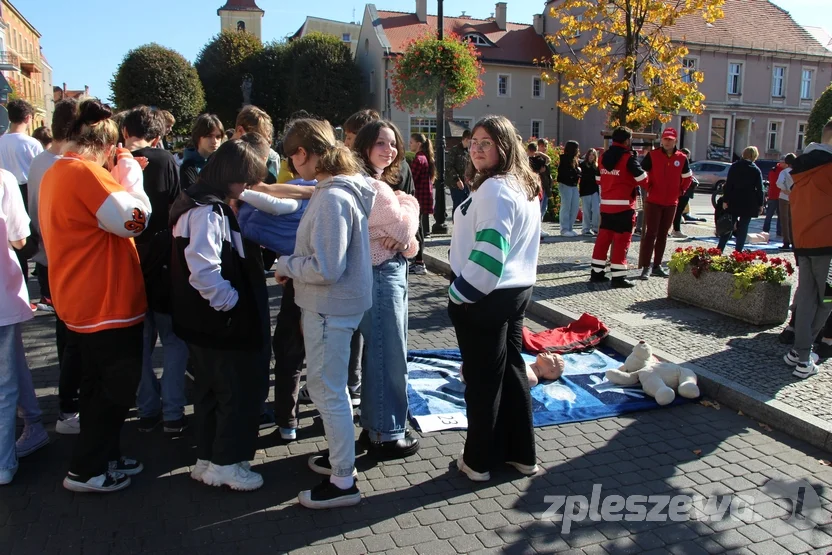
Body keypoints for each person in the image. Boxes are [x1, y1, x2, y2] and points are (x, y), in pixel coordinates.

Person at [39, 99, 152, 493]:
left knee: (96, 386)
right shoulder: (84, 173)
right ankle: (87, 470)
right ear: (105, 146)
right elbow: (134, 220)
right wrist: (130, 180)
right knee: (113, 389)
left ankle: (104, 454)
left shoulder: (59, 171)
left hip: (84, 298)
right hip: (106, 301)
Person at [274, 118, 375, 509]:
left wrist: (287, 265)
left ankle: (343, 481)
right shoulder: (336, 189)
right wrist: (295, 268)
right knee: (330, 388)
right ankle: (339, 462)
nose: (290, 165)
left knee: (327, 390)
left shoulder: (332, 196)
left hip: (329, 310)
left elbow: (326, 269)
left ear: (303, 154)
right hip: (333, 307)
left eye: (291, 157)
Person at [169, 134, 275, 492]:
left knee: (211, 391)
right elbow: (204, 271)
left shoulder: (194, 202)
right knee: (233, 391)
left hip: (200, 323)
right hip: (217, 322)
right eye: (244, 179)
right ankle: (227, 463)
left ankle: (209, 459)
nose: (246, 186)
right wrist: (233, 305)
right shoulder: (207, 212)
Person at [448, 115, 541, 482]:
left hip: (485, 296)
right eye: (474, 142)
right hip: (514, 291)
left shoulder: (496, 189)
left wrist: (460, 294)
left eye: (487, 143)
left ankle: (478, 461)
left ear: (505, 146)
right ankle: (520, 454)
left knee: (484, 380)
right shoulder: (521, 185)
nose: (477, 148)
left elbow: (490, 250)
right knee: (511, 371)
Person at [121, 106, 190, 435]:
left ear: (124, 132)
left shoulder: (113, 164)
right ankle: (173, 413)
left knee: (140, 343)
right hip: (164, 261)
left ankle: (147, 409)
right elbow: (179, 207)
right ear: (159, 136)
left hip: (129, 261)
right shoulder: (166, 161)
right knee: (174, 342)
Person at [354, 121, 421, 460]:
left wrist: (406, 240)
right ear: (365, 146)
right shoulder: (376, 189)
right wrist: (409, 202)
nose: (389, 149)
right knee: (388, 354)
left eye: (393, 144)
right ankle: (386, 433)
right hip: (380, 275)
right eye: (380, 142)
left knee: (383, 352)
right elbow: (403, 226)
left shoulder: (379, 185)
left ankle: (376, 425)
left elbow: (409, 244)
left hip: (386, 271)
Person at [26, 98, 83, 434]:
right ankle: (69, 407)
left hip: (50, 261)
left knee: (67, 334)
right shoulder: (64, 165)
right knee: (74, 337)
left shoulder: (39, 162)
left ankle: (69, 404)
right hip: (69, 261)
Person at [0, 168, 49, 486]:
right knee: (5, 380)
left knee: (11, 364)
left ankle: (32, 424)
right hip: (2, 293)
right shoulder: (2, 179)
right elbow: (19, 238)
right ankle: (4, 460)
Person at [783, 120, 832, 379]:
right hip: (828, 245)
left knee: (806, 299)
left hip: (804, 243)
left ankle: (798, 351)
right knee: (828, 300)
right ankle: (803, 356)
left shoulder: (800, 169)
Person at [589, 127, 646, 288]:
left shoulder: (603, 157)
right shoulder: (628, 158)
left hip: (606, 206)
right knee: (621, 242)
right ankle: (618, 277)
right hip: (624, 207)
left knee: (602, 240)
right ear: (627, 140)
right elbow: (643, 179)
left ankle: (597, 273)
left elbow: (598, 180)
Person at [0, 99, 44, 292]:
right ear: (28, 118)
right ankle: (31, 288)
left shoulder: (1, 141)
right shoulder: (32, 143)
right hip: (27, 191)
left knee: (9, 243)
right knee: (29, 241)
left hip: (3, 191)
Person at [638, 128, 692, 279]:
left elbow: (688, 177)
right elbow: (641, 173)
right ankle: (645, 266)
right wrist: (648, 186)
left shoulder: (682, 158)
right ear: (661, 140)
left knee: (663, 235)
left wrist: (680, 191)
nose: (667, 142)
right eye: (665, 139)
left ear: (675, 141)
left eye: (670, 139)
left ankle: (657, 265)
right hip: (654, 201)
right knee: (650, 234)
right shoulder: (653, 155)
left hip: (671, 203)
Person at [717, 147, 765, 253]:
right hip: (749, 202)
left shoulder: (735, 166)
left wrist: (725, 200)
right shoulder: (756, 169)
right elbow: (760, 189)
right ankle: (738, 252)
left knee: (728, 225)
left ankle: (719, 249)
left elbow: (729, 184)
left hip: (734, 200)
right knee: (743, 227)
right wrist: (760, 204)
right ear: (754, 156)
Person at [409, 133, 434, 276]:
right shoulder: (425, 158)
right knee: (419, 230)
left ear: (418, 143)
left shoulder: (419, 159)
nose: (410, 145)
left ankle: (419, 263)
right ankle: (418, 262)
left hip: (418, 199)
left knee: (418, 231)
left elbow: (411, 180)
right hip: (423, 198)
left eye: (412, 142)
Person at [180, 114, 225, 191]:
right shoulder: (188, 167)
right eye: (209, 136)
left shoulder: (223, 164)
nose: (214, 141)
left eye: (218, 137)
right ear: (198, 137)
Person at [557, 141, 581, 236]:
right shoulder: (564, 159)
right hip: (565, 184)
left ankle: (570, 228)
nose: (578, 150)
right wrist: (575, 173)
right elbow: (564, 173)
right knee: (566, 207)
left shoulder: (575, 159)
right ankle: (564, 229)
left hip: (573, 185)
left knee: (575, 207)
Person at [447, 130, 471, 213]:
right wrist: (457, 180)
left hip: (467, 183)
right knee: (457, 207)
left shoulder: (468, 151)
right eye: (470, 141)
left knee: (467, 207)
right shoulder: (455, 150)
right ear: (466, 139)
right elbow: (449, 166)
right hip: (456, 184)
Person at [579, 148, 601, 236]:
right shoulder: (583, 165)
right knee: (586, 211)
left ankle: (595, 228)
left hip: (594, 190)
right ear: (587, 155)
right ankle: (585, 229)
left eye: (593, 155)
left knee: (596, 210)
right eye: (590, 154)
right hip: (585, 190)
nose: (591, 156)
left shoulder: (596, 166)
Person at [777, 153, 796, 250]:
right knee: (793, 220)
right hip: (795, 197)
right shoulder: (797, 171)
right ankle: (794, 241)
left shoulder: (784, 172)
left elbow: (779, 183)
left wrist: (784, 189)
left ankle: (786, 241)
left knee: (784, 220)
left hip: (784, 196)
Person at [762, 159, 784, 237]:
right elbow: (774, 182)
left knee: (778, 215)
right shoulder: (776, 170)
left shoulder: (775, 170)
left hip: (778, 195)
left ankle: (778, 231)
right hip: (775, 195)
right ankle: (766, 230)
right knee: (771, 214)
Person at [536, 139, 554, 226]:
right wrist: (539, 153)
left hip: (546, 186)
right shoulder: (537, 158)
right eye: (542, 146)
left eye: (545, 146)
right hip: (540, 187)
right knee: (539, 208)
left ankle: (539, 226)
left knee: (543, 208)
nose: (544, 148)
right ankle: (537, 227)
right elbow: (548, 159)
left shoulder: (543, 158)